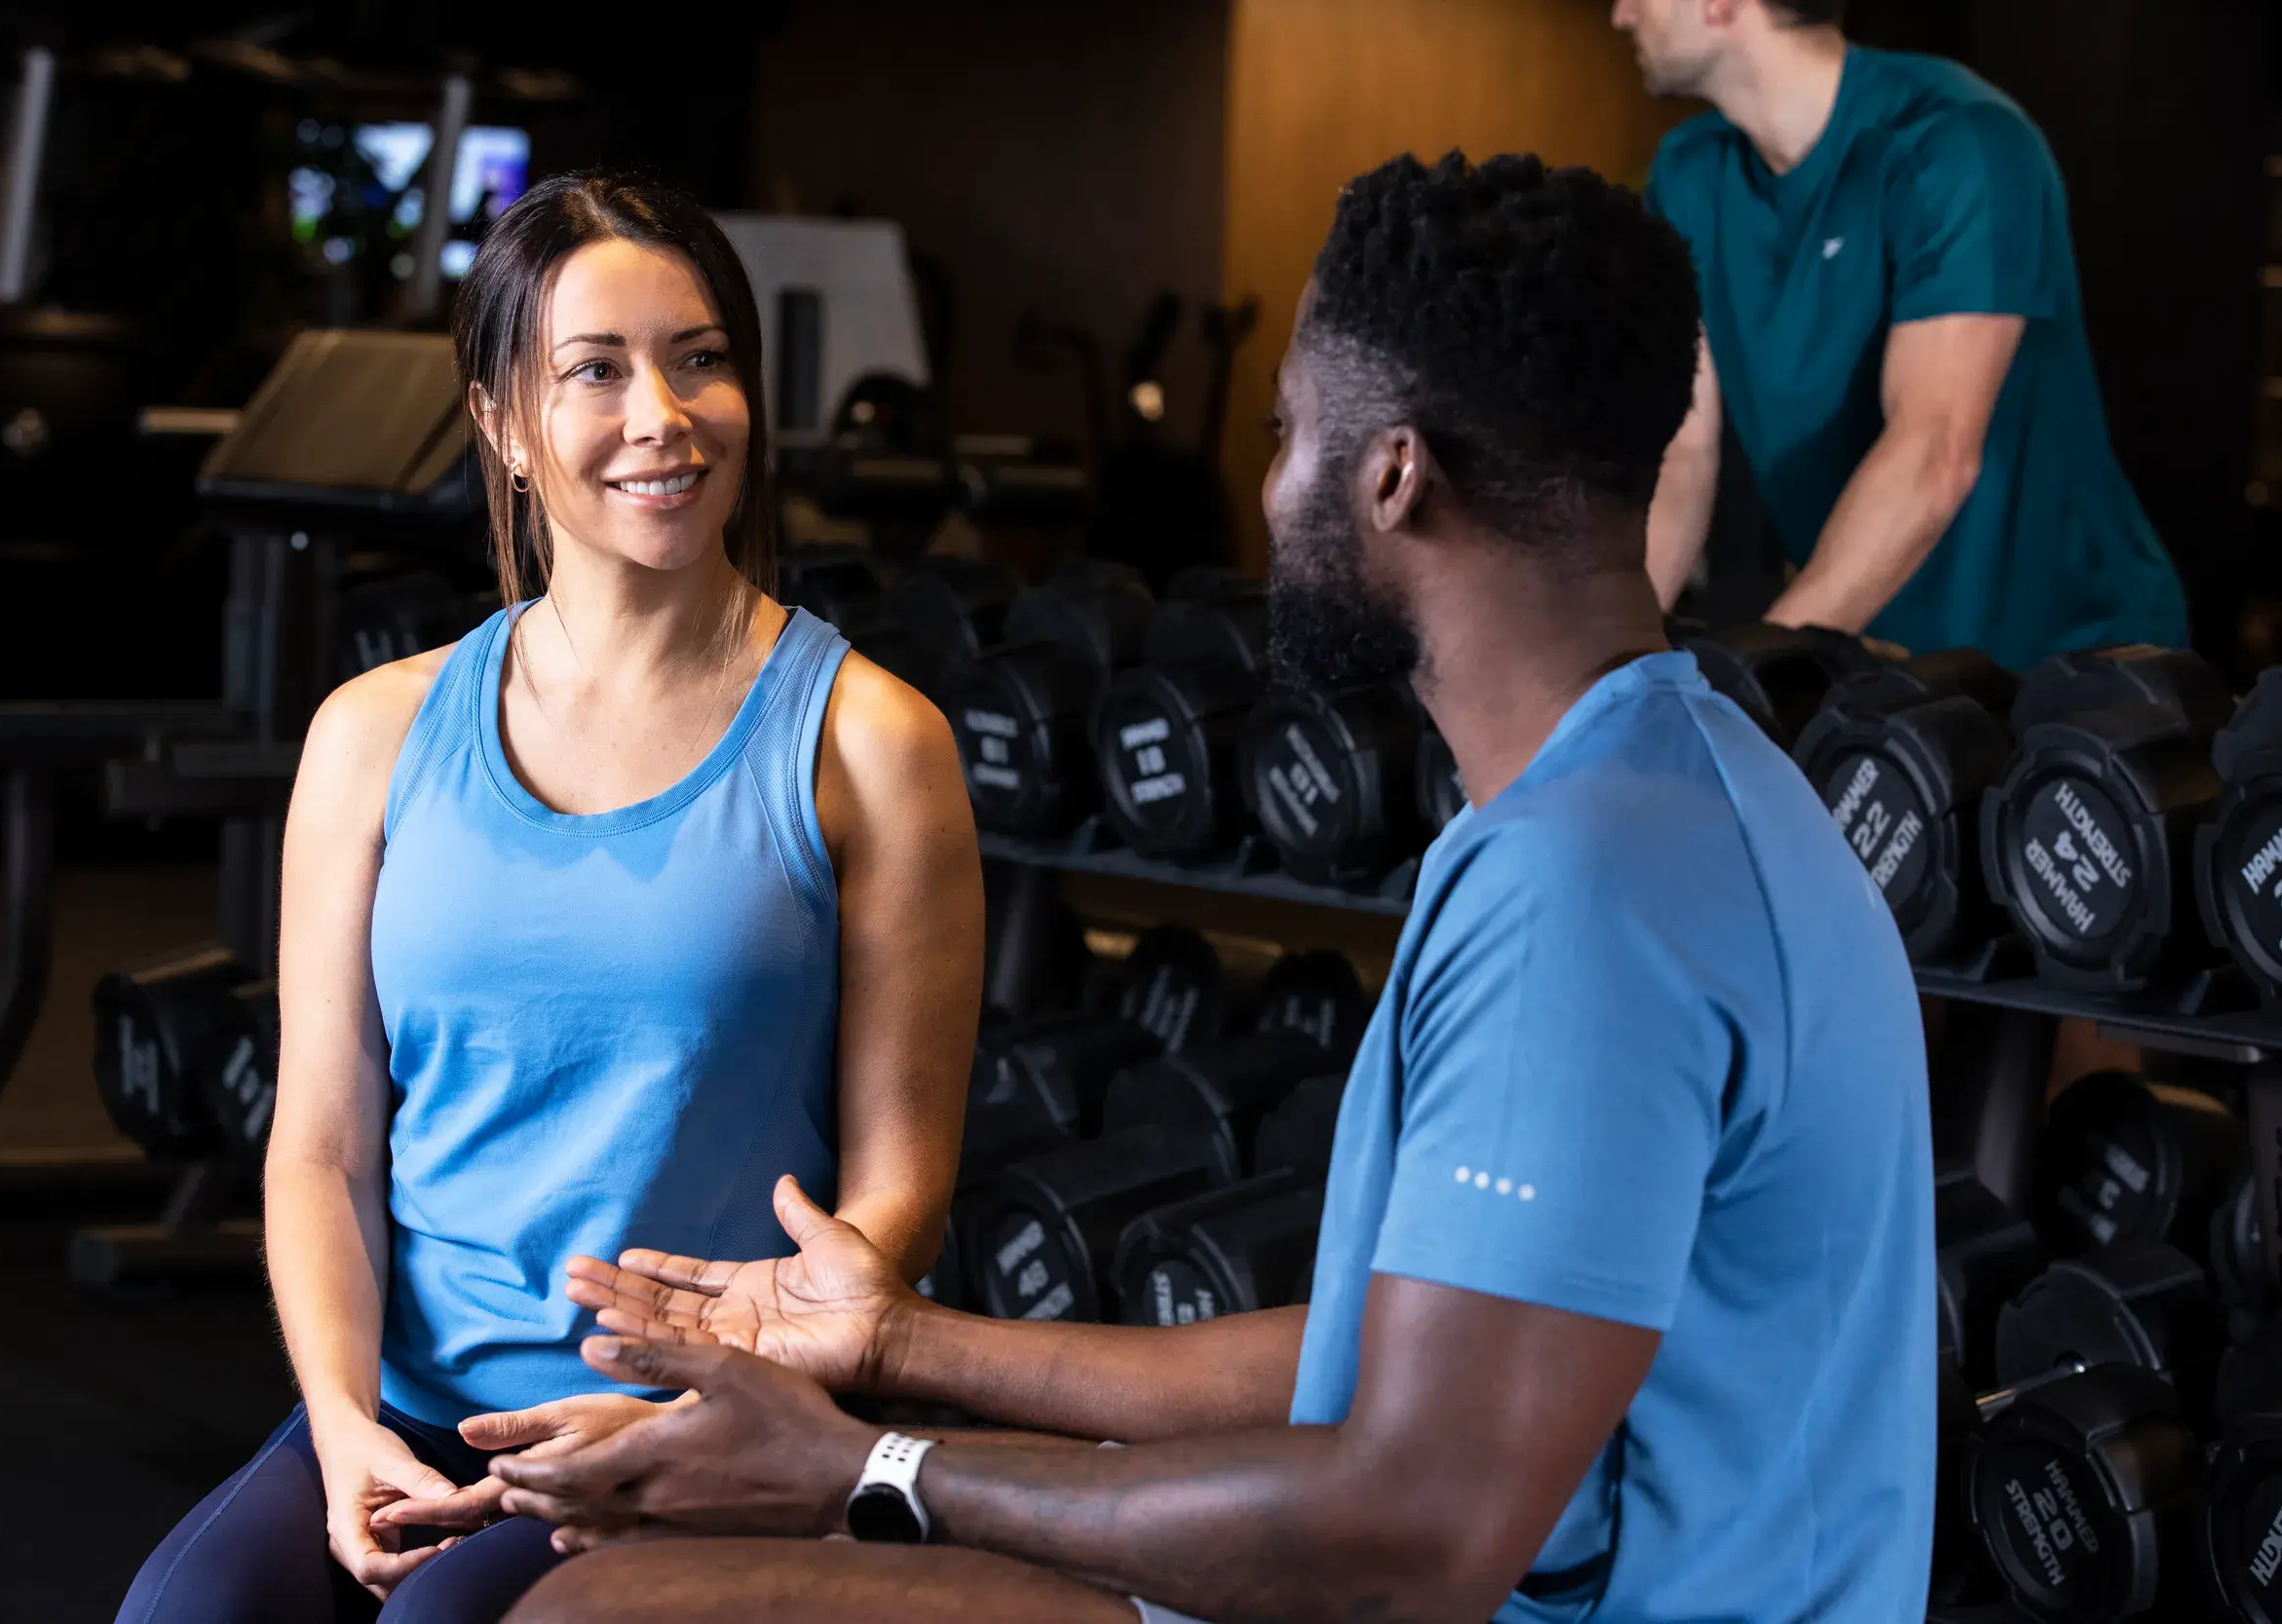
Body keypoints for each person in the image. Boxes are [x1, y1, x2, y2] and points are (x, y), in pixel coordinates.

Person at [482, 152, 1936, 1624]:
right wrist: (898, 1344)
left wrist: (871, 1471)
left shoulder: (1585, 897)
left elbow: (1408, 1536)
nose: (1268, 483)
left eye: (1288, 431)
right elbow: (1401, 1351)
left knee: (600, 1613)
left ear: (1393, 473)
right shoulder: (1678, 783)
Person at [112, 171, 981, 1624]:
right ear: (505, 422)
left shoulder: (873, 743)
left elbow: (903, 1189)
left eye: (701, 359)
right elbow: (320, 1145)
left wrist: (729, 1394)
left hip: (695, 1421)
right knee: (185, 1613)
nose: (664, 414)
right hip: (412, 1402)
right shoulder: (373, 733)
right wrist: (339, 1423)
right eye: (596, 368)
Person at [1614, 0, 2187, 670]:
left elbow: (1933, 452)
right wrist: (1598, 678)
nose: (1622, 16)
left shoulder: (1959, 139)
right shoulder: (1689, 171)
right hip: (1871, 644)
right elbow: (1682, 455)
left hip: (2071, 656)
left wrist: (1755, 679)